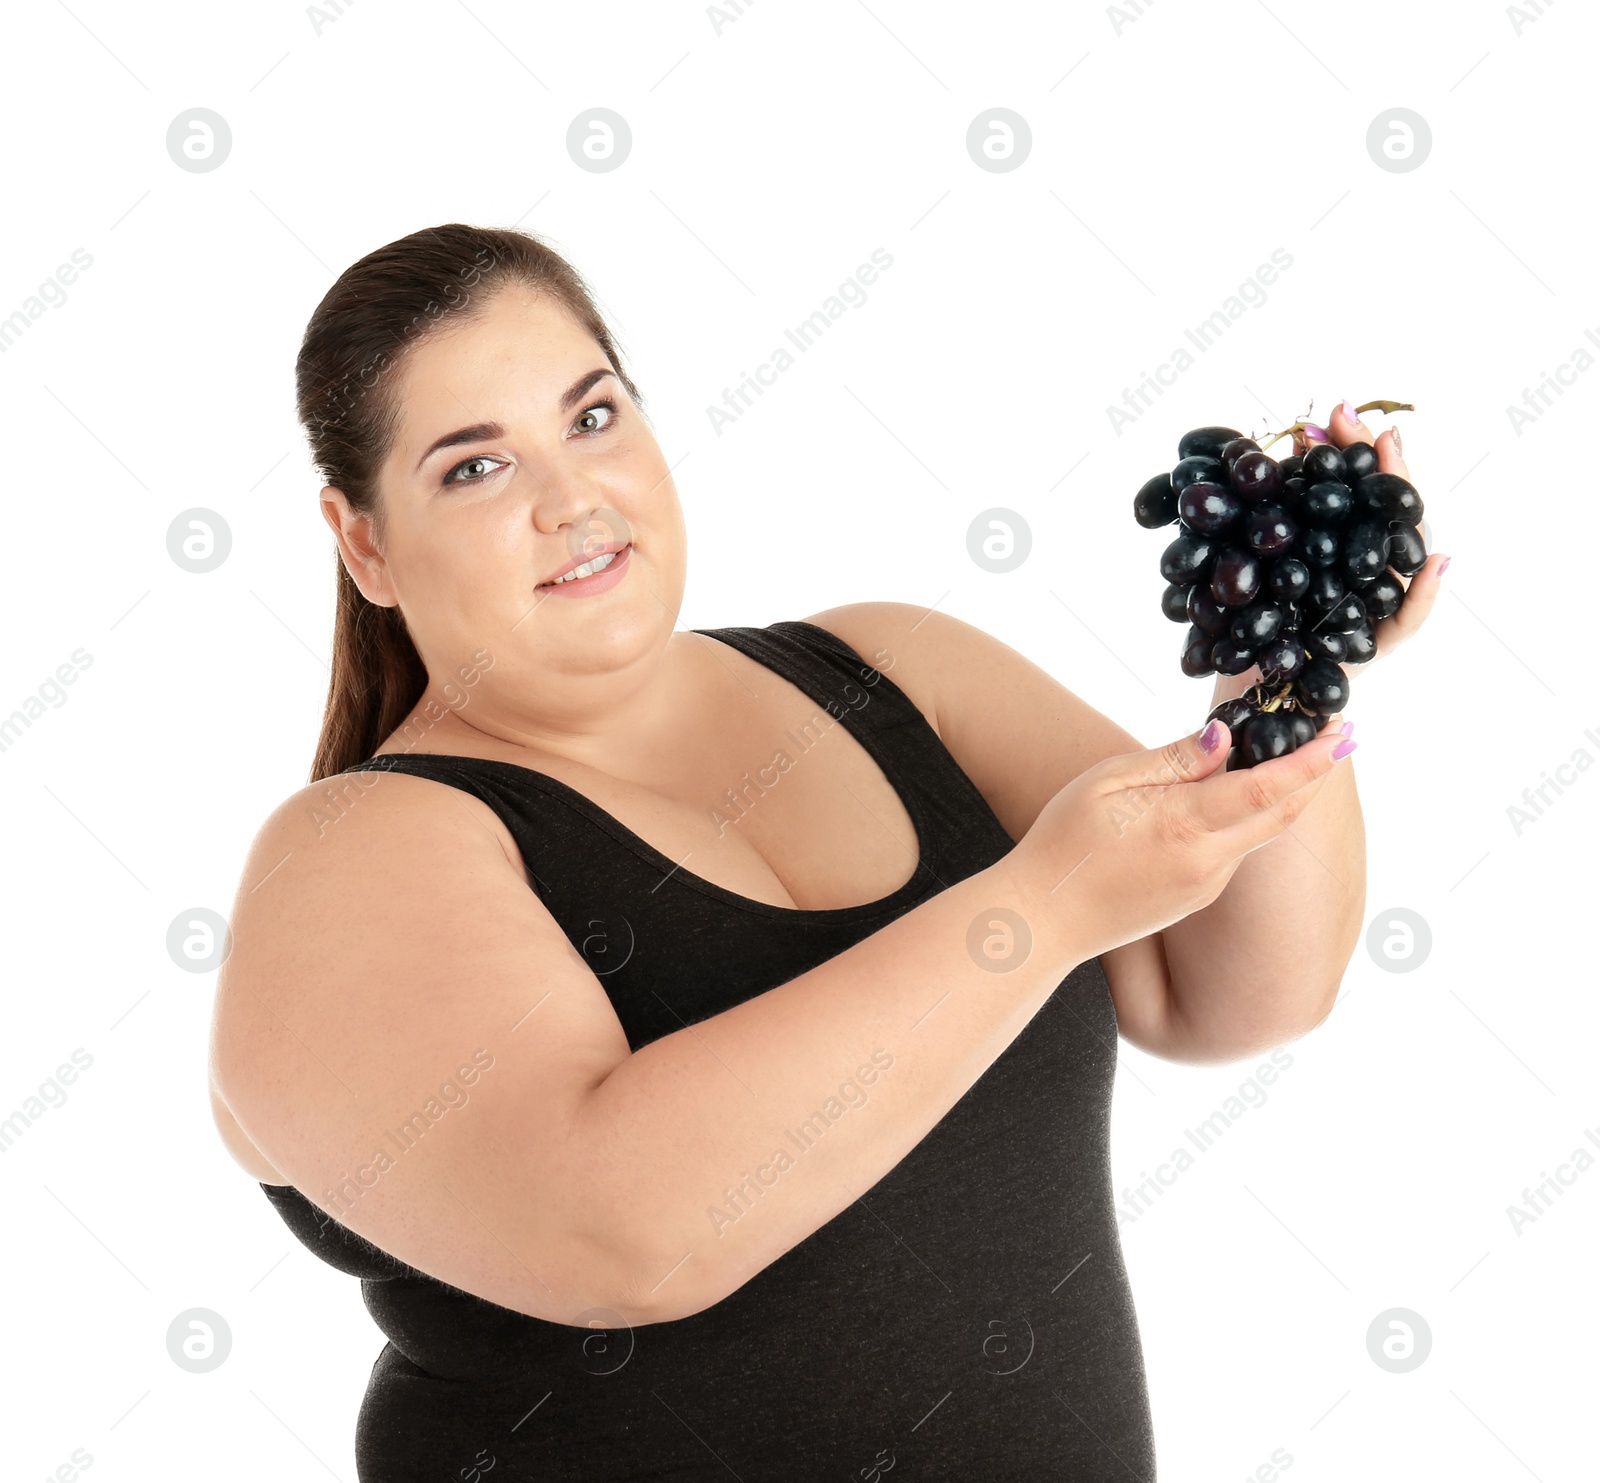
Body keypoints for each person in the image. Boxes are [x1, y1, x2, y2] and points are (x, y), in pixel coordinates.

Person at [206, 223, 1445, 1480]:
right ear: (363, 541)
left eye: (591, 418)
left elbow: (1238, 989)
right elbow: (620, 1236)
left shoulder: (896, 668)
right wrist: (1048, 902)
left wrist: (1290, 663)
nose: (571, 497)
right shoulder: (352, 858)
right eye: (474, 468)